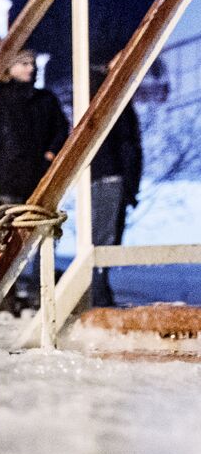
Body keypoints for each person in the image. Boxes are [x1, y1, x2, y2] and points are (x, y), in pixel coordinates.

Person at [0, 49, 68, 311]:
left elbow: (62, 129)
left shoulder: (45, 100)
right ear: (10, 69)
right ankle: (4, 296)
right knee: (6, 241)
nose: (30, 69)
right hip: (6, 179)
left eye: (32, 64)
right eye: (23, 64)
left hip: (39, 180)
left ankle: (41, 295)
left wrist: (50, 153)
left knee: (44, 238)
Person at [87, 61, 143, 307]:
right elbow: (127, 146)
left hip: (112, 175)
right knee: (105, 236)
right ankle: (97, 292)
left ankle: (99, 290)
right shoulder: (109, 96)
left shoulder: (115, 98)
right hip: (110, 174)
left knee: (107, 235)